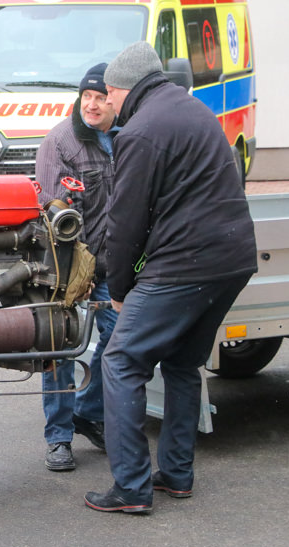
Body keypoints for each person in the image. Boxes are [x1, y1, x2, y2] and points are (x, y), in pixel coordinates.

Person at [84, 42, 257, 513]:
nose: (109, 105)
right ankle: (176, 475)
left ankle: (131, 488)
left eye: (111, 96)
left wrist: (119, 290)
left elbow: (125, 223)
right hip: (233, 259)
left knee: (120, 362)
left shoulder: (140, 131)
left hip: (186, 264)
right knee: (182, 364)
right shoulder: (195, 110)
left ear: (123, 89)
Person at [35, 62, 118, 472]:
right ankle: (59, 437)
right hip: (66, 267)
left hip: (113, 265)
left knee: (121, 340)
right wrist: (75, 274)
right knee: (62, 345)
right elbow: (56, 218)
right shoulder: (61, 142)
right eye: (87, 96)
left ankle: (87, 409)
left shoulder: (126, 138)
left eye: (101, 98)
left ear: (116, 100)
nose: (92, 105)